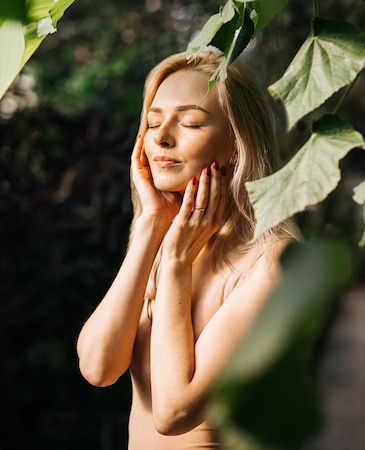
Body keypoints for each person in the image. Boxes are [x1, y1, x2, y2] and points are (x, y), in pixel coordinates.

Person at [77, 49, 298, 449]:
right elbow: (98, 367)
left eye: (191, 121)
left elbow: (173, 412)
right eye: (153, 121)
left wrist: (176, 265)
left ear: (235, 143)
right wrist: (149, 225)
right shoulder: (162, 241)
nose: (162, 137)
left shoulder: (272, 261)